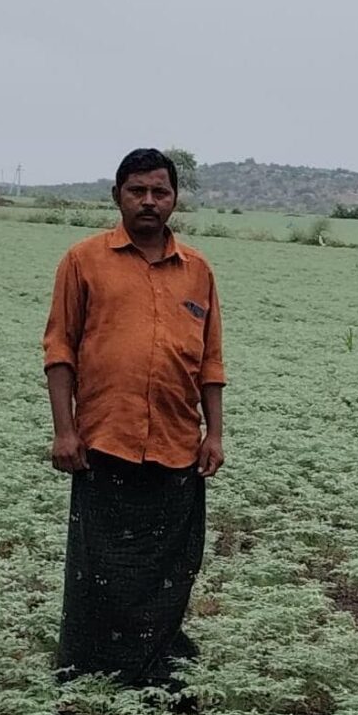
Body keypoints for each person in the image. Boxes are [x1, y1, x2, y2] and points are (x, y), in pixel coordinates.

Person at [43, 148, 225, 687]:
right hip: (104, 438)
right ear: (117, 195)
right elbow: (60, 349)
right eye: (137, 191)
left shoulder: (197, 271)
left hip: (176, 441)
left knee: (168, 564)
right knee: (99, 564)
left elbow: (210, 360)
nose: (149, 201)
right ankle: (91, 666)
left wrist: (214, 432)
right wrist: (64, 429)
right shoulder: (83, 260)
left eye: (160, 191)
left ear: (174, 198)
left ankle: (154, 663)